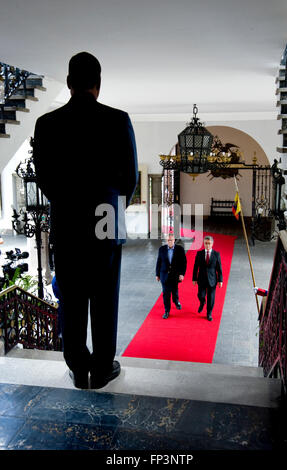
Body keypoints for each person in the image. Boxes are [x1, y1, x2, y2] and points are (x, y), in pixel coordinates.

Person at [33, 52, 138, 389]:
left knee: (73, 297)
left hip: (67, 221)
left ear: (68, 84)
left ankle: (78, 367)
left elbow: (44, 179)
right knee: (105, 297)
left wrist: (66, 204)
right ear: (99, 84)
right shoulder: (118, 120)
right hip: (106, 219)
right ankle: (103, 368)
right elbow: (129, 181)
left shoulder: (46, 124)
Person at [156, 233, 187, 319]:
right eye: (168, 240)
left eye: (172, 240)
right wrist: (157, 274)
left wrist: (182, 274)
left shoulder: (180, 249)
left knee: (174, 291)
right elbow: (158, 262)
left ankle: (176, 301)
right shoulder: (161, 249)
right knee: (166, 293)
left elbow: (183, 263)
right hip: (164, 275)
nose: (170, 242)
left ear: (174, 240)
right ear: (166, 241)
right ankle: (167, 311)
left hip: (175, 275)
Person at [192, 235, 223, 321]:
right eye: (206, 243)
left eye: (209, 243)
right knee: (200, 295)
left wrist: (220, 280)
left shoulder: (216, 254)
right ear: (204, 244)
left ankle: (209, 313)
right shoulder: (199, 254)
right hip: (201, 279)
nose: (208, 245)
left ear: (212, 244)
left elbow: (219, 268)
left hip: (212, 280)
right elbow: (195, 267)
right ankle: (202, 302)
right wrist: (194, 278)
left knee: (211, 298)